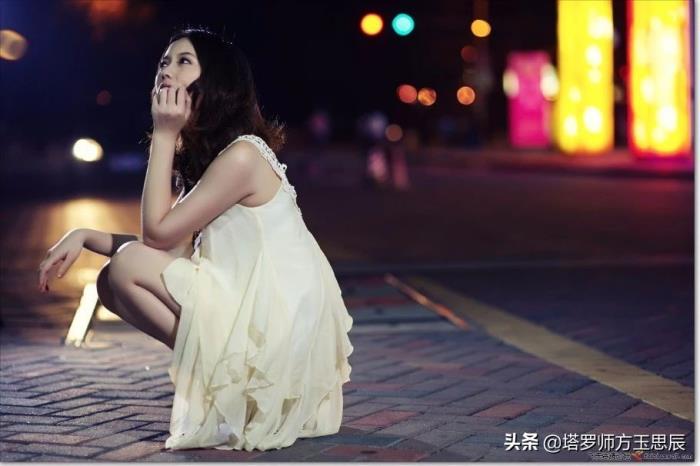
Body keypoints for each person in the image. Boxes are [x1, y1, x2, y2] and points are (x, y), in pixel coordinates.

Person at [36, 27, 354, 452]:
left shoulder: (243, 155)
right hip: (253, 319)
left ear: (217, 81)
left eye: (184, 61)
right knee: (111, 281)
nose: (166, 71)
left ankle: (235, 383)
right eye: (163, 62)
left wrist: (164, 135)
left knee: (126, 267)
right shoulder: (218, 160)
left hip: (279, 339)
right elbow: (167, 248)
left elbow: (155, 238)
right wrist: (84, 235)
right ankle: (229, 381)